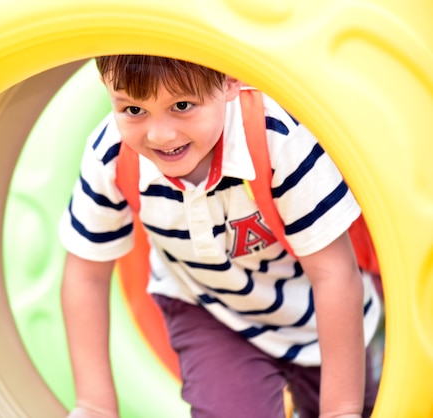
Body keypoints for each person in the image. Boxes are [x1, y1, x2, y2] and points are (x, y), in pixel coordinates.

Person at [59, 55, 381, 418]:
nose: (159, 134)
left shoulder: (275, 137)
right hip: (208, 307)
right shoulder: (112, 153)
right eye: (134, 109)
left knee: (363, 407)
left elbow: (333, 274)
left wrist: (341, 411)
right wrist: (94, 404)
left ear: (229, 81)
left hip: (316, 310)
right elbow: (86, 275)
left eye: (182, 105)